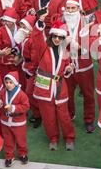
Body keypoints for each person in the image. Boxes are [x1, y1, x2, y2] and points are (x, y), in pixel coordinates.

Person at [30, 20, 76, 150]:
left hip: (60, 85)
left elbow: (66, 66)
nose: (57, 39)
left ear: (63, 38)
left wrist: (68, 69)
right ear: (50, 36)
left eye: (60, 37)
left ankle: (69, 138)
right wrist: (40, 22)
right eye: (54, 36)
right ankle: (53, 138)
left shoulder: (65, 51)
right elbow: (37, 37)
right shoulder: (43, 47)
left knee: (64, 115)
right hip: (44, 86)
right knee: (48, 115)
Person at [62, 0, 96, 132]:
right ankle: (70, 114)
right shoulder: (60, 22)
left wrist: (80, 47)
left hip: (84, 63)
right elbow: (54, 43)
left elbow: (94, 44)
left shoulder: (87, 23)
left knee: (88, 94)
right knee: (67, 93)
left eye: (73, 8)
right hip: (67, 63)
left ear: (78, 8)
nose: (70, 11)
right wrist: (64, 42)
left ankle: (89, 120)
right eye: (68, 8)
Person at [0, 71, 29, 167]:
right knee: (7, 139)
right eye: (6, 83)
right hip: (5, 121)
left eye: (11, 82)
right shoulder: (3, 92)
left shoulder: (22, 94)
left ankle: (23, 154)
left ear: (15, 82)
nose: (8, 85)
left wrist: (14, 108)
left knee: (20, 139)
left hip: (18, 122)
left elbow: (26, 106)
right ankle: (9, 156)